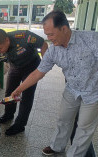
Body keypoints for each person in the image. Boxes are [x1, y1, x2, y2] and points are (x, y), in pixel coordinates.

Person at [11, 10, 98, 156]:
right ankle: (57, 146)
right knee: (63, 119)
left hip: (93, 92)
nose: (49, 39)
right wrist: (19, 89)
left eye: (51, 34)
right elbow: (38, 73)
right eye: (47, 35)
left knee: (84, 127)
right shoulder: (53, 51)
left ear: (64, 29)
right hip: (72, 89)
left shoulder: (91, 39)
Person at [0, 28, 48, 136]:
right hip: (15, 66)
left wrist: (44, 66)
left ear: (7, 40)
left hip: (32, 66)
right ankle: (8, 114)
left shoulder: (24, 37)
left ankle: (20, 125)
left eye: (0, 48)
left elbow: (44, 45)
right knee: (9, 92)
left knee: (26, 96)